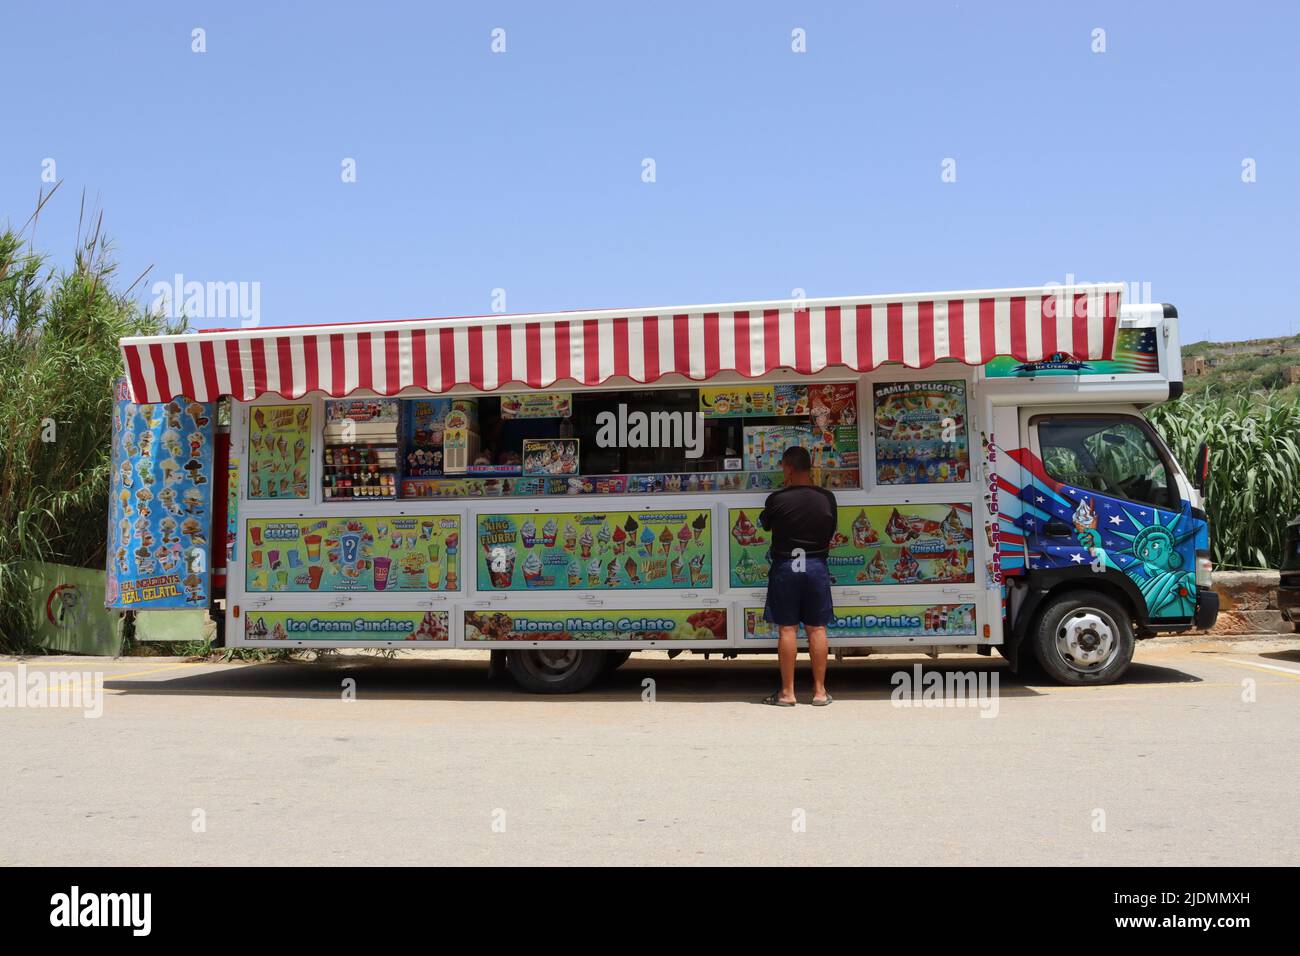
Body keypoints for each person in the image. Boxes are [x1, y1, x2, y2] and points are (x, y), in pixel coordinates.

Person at [758, 446, 838, 706]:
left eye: (783, 467)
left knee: (787, 628)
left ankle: (788, 693)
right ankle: (819, 692)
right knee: (817, 628)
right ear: (810, 468)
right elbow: (830, 531)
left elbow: (765, 523)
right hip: (815, 566)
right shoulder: (827, 498)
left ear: (789, 469)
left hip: (786, 566)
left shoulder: (777, 499)